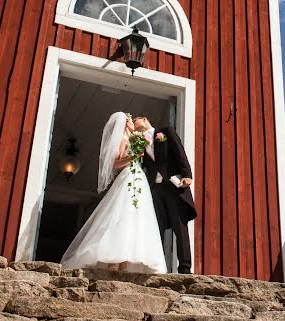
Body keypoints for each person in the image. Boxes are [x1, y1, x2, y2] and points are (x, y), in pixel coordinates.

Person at [61, 111, 167, 273]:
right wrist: (133, 157)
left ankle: (124, 265)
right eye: (130, 119)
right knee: (121, 216)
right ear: (124, 124)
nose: (132, 121)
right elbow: (115, 164)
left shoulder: (136, 139)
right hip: (128, 178)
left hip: (138, 179)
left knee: (135, 218)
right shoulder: (123, 140)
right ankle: (113, 262)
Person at [134, 116, 197, 274]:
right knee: (157, 228)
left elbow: (179, 152)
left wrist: (187, 174)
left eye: (136, 119)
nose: (134, 121)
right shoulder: (140, 144)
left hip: (173, 186)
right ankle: (158, 267)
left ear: (145, 119)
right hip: (155, 189)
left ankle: (184, 268)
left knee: (179, 226)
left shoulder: (165, 132)